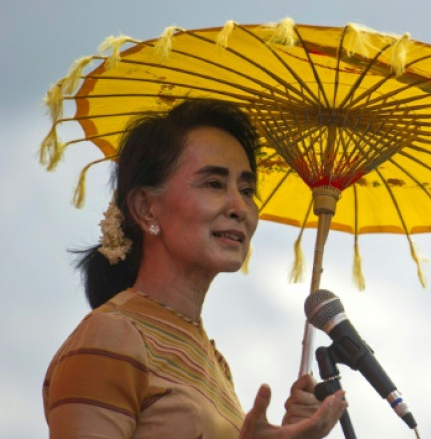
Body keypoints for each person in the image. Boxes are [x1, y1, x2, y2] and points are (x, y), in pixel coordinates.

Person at [43, 99, 346, 438]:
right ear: (146, 208)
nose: (239, 207)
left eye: (247, 190)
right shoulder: (112, 335)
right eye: (214, 184)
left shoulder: (214, 362)